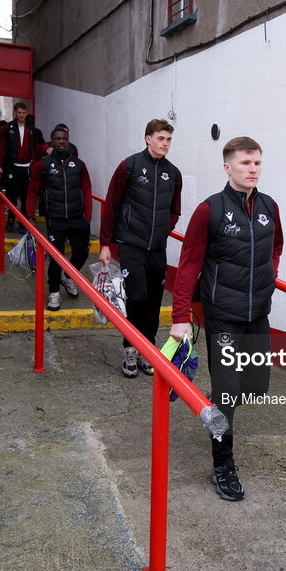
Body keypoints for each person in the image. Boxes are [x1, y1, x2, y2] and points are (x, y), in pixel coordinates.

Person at [169, 136, 283, 501]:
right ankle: (223, 466)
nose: (253, 169)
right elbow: (187, 266)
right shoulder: (210, 210)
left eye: (257, 163)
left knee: (257, 385)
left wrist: (268, 278)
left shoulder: (269, 206)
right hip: (222, 317)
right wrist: (180, 315)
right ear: (227, 167)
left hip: (257, 313)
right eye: (246, 163)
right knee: (229, 397)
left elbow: (276, 246)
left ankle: (219, 395)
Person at [99, 119, 182, 378]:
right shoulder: (130, 166)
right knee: (137, 297)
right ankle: (130, 349)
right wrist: (105, 243)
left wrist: (161, 231)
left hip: (157, 248)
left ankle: (148, 349)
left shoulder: (173, 173)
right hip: (131, 244)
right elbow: (111, 204)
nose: (165, 144)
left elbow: (175, 210)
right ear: (148, 139)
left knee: (154, 301)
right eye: (160, 138)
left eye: (168, 139)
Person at [26, 128, 93, 311]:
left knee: (82, 253)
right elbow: (33, 191)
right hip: (55, 218)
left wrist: (88, 215)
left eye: (64, 139)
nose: (62, 142)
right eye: (58, 139)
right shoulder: (43, 164)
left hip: (77, 217)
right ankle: (54, 291)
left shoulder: (79, 164)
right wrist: (30, 215)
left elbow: (86, 188)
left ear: (69, 141)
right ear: (52, 141)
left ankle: (68, 277)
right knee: (57, 256)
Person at [0, 101, 44, 231]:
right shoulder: (7, 129)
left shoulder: (33, 130)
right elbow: (1, 148)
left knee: (25, 195)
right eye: (19, 113)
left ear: (26, 113)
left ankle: (23, 223)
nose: (21, 115)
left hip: (27, 167)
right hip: (12, 166)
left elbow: (39, 147)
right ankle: (10, 220)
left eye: (23, 113)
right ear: (15, 113)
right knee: (11, 194)